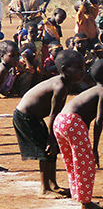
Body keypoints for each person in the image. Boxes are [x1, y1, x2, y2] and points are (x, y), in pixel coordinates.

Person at [13, 50, 85, 197]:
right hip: (25, 117)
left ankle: (53, 184)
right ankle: (45, 188)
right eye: (78, 68)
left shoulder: (66, 83)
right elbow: (54, 114)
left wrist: (54, 139)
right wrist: (52, 139)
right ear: (64, 70)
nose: (83, 71)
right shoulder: (60, 86)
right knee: (45, 151)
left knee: (51, 151)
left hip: (34, 117)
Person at [52, 59, 103, 209]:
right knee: (85, 162)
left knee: (72, 161)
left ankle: (78, 194)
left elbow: (86, 119)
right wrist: (95, 149)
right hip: (73, 122)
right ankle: (85, 202)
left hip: (60, 121)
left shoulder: (91, 90)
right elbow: (98, 122)